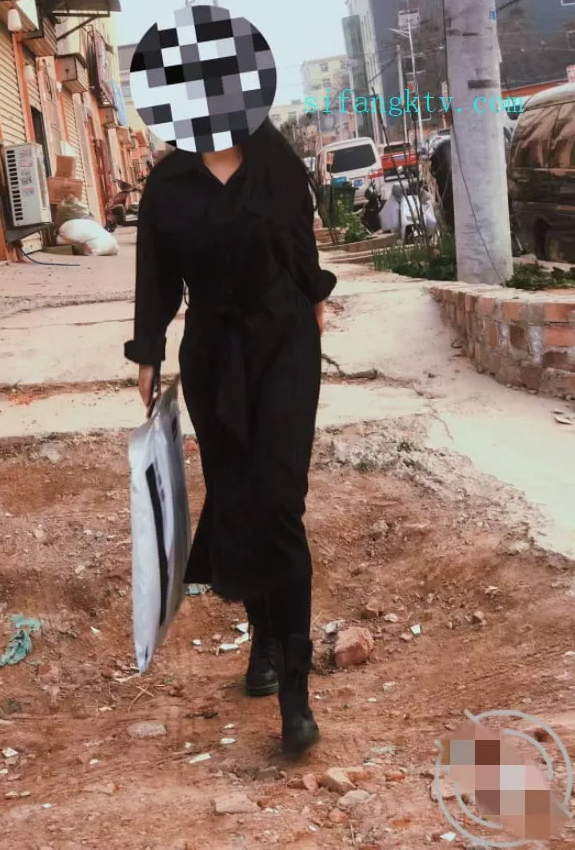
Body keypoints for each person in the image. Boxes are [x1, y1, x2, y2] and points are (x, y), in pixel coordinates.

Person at [124, 119, 337, 755]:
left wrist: (315, 299)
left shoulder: (275, 159)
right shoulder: (168, 182)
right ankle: (263, 637)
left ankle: (295, 692)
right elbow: (155, 273)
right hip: (213, 351)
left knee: (279, 502)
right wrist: (148, 350)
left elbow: (299, 241)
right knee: (237, 497)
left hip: (283, 341)